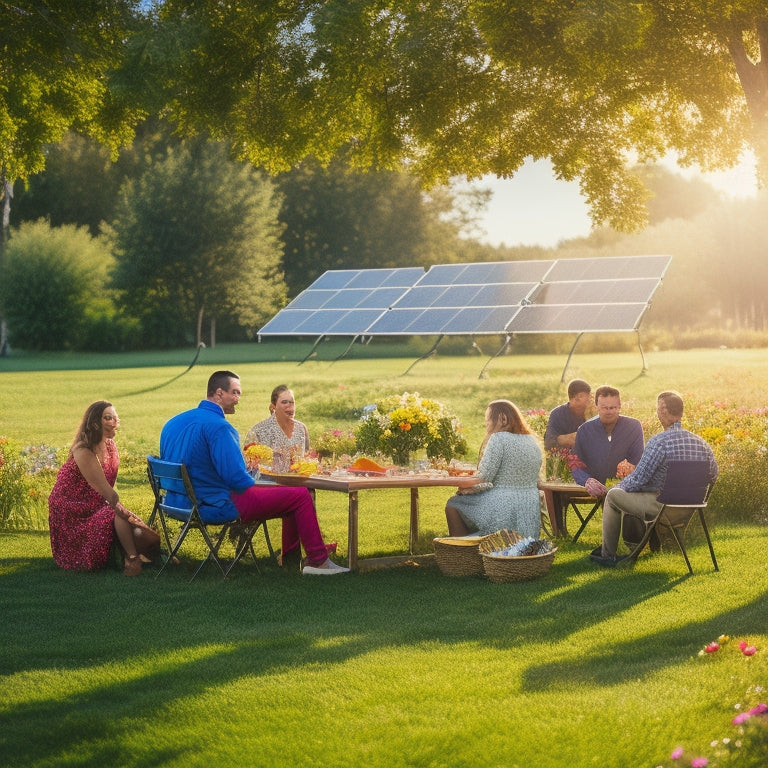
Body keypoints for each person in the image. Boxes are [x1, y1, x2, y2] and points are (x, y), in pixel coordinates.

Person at [159, 370, 348, 575]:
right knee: (300, 494)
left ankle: (291, 561)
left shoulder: (172, 423)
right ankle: (318, 562)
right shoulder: (220, 428)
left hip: (175, 503)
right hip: (214, 504)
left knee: (291, 495)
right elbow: (237, 480)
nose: (238, 399)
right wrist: (260, 477)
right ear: (219, 393)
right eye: (235, 393)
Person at [594, 390, 719, 564]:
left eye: (658, 408)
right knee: (633, 492)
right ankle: (643, 545)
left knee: (613, 496)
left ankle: (607, 556)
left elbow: (638, 479)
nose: (657, 412)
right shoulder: (702, 443)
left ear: (663, 410)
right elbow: (713, 475)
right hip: (691, 508)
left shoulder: (659, 442)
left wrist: (616, 487)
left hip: (663, 508)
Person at [48, 401, 147, 576]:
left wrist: (127, 514)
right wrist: (122, 511)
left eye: (115, 417)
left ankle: (155, 556)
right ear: (94, 423)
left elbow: (109, 490)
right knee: (118, 515)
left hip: (94, 503)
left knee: (130, 521)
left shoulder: (110, 446)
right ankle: (132, 560)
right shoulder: (83, 450)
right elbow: (107, 491)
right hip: (72, 509)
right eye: (107, 418)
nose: (114, 422)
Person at [445, 399, 543, 538]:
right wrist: (474, 489)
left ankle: (462, 550)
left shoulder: (499, 438)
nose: (487, 425)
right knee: (467, 498)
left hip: (502, 504)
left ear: (501, 418)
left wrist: (459, 481)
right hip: (529, 505)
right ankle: (475, 541)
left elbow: (483, 476)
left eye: (488, 420)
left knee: (454, 503)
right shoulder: (531, 440)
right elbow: (506, 478)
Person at [572, 385, 644, 498]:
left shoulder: (633, 426)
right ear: (596, 407)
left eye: (613, 407)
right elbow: (576, 465)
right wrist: (586, 480)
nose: (609, 411)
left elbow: (639, 459)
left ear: (620, 406)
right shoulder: (584, 430)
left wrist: (630, 467)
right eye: (605, 408)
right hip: (596, 486)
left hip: (627, 488)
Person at [244, 385, 310, 472]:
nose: (289, 406)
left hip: (296, 481)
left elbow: (306, 458)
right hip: (267, 482)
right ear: (273, 406)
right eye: (284, 402)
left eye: (292, 402)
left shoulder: (301, 428)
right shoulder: (258, 431)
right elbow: (246, 464)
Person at [544, 379, 592, 450]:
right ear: (577, 398)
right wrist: (570, 438)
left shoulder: (594, 412)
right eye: (588, 396)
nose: (590, 399)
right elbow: (548, 441)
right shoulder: (557, 414)